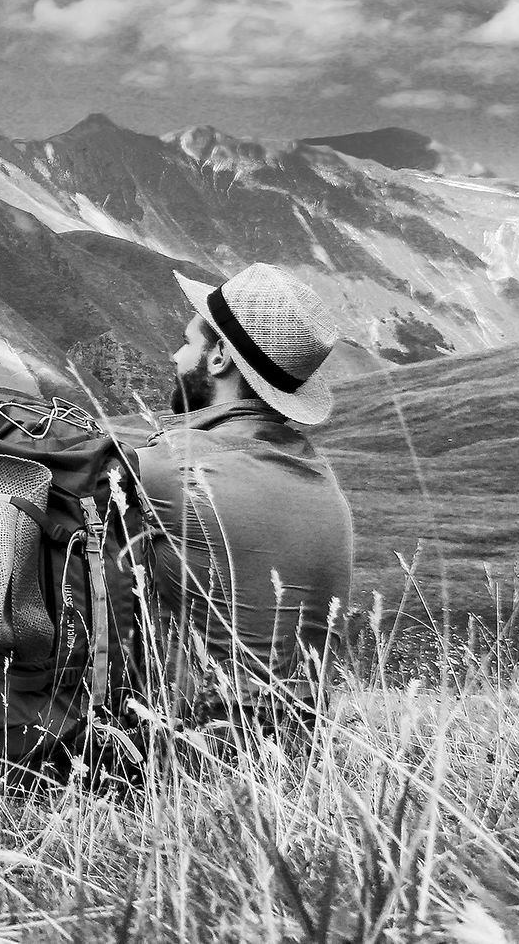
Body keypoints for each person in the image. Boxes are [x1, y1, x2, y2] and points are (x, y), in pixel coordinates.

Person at [130, 263, 357, 732]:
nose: (176, 356)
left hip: (188, 756)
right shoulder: (323, 479)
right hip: (297, 750)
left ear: (219, 359)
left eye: (189, 342)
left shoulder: (174, 466)